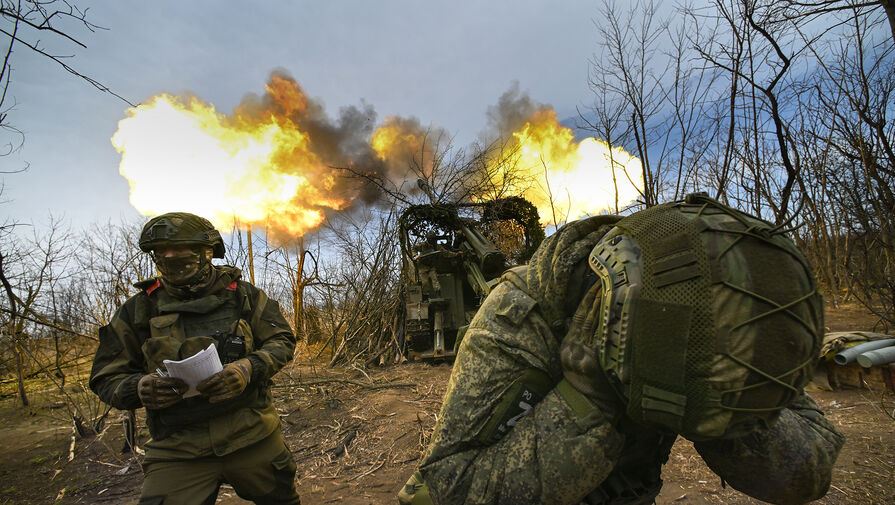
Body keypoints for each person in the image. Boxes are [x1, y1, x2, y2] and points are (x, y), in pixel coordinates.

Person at [398, 193, 844, 505]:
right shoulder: (519, 316)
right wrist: (589, 397)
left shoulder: (718, 304)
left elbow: (805, 473)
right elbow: (441, 489)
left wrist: (717, 408)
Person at [90, 212, 301, 505]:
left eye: (180, 249)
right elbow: (105, 377)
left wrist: (247, 368)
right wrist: (140, 388)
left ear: (207, 252)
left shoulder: (244, 295)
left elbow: (282, 340)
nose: (170, 256)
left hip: (251, 434)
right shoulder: (138, 310)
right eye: (162, 251)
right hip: (177, 449)